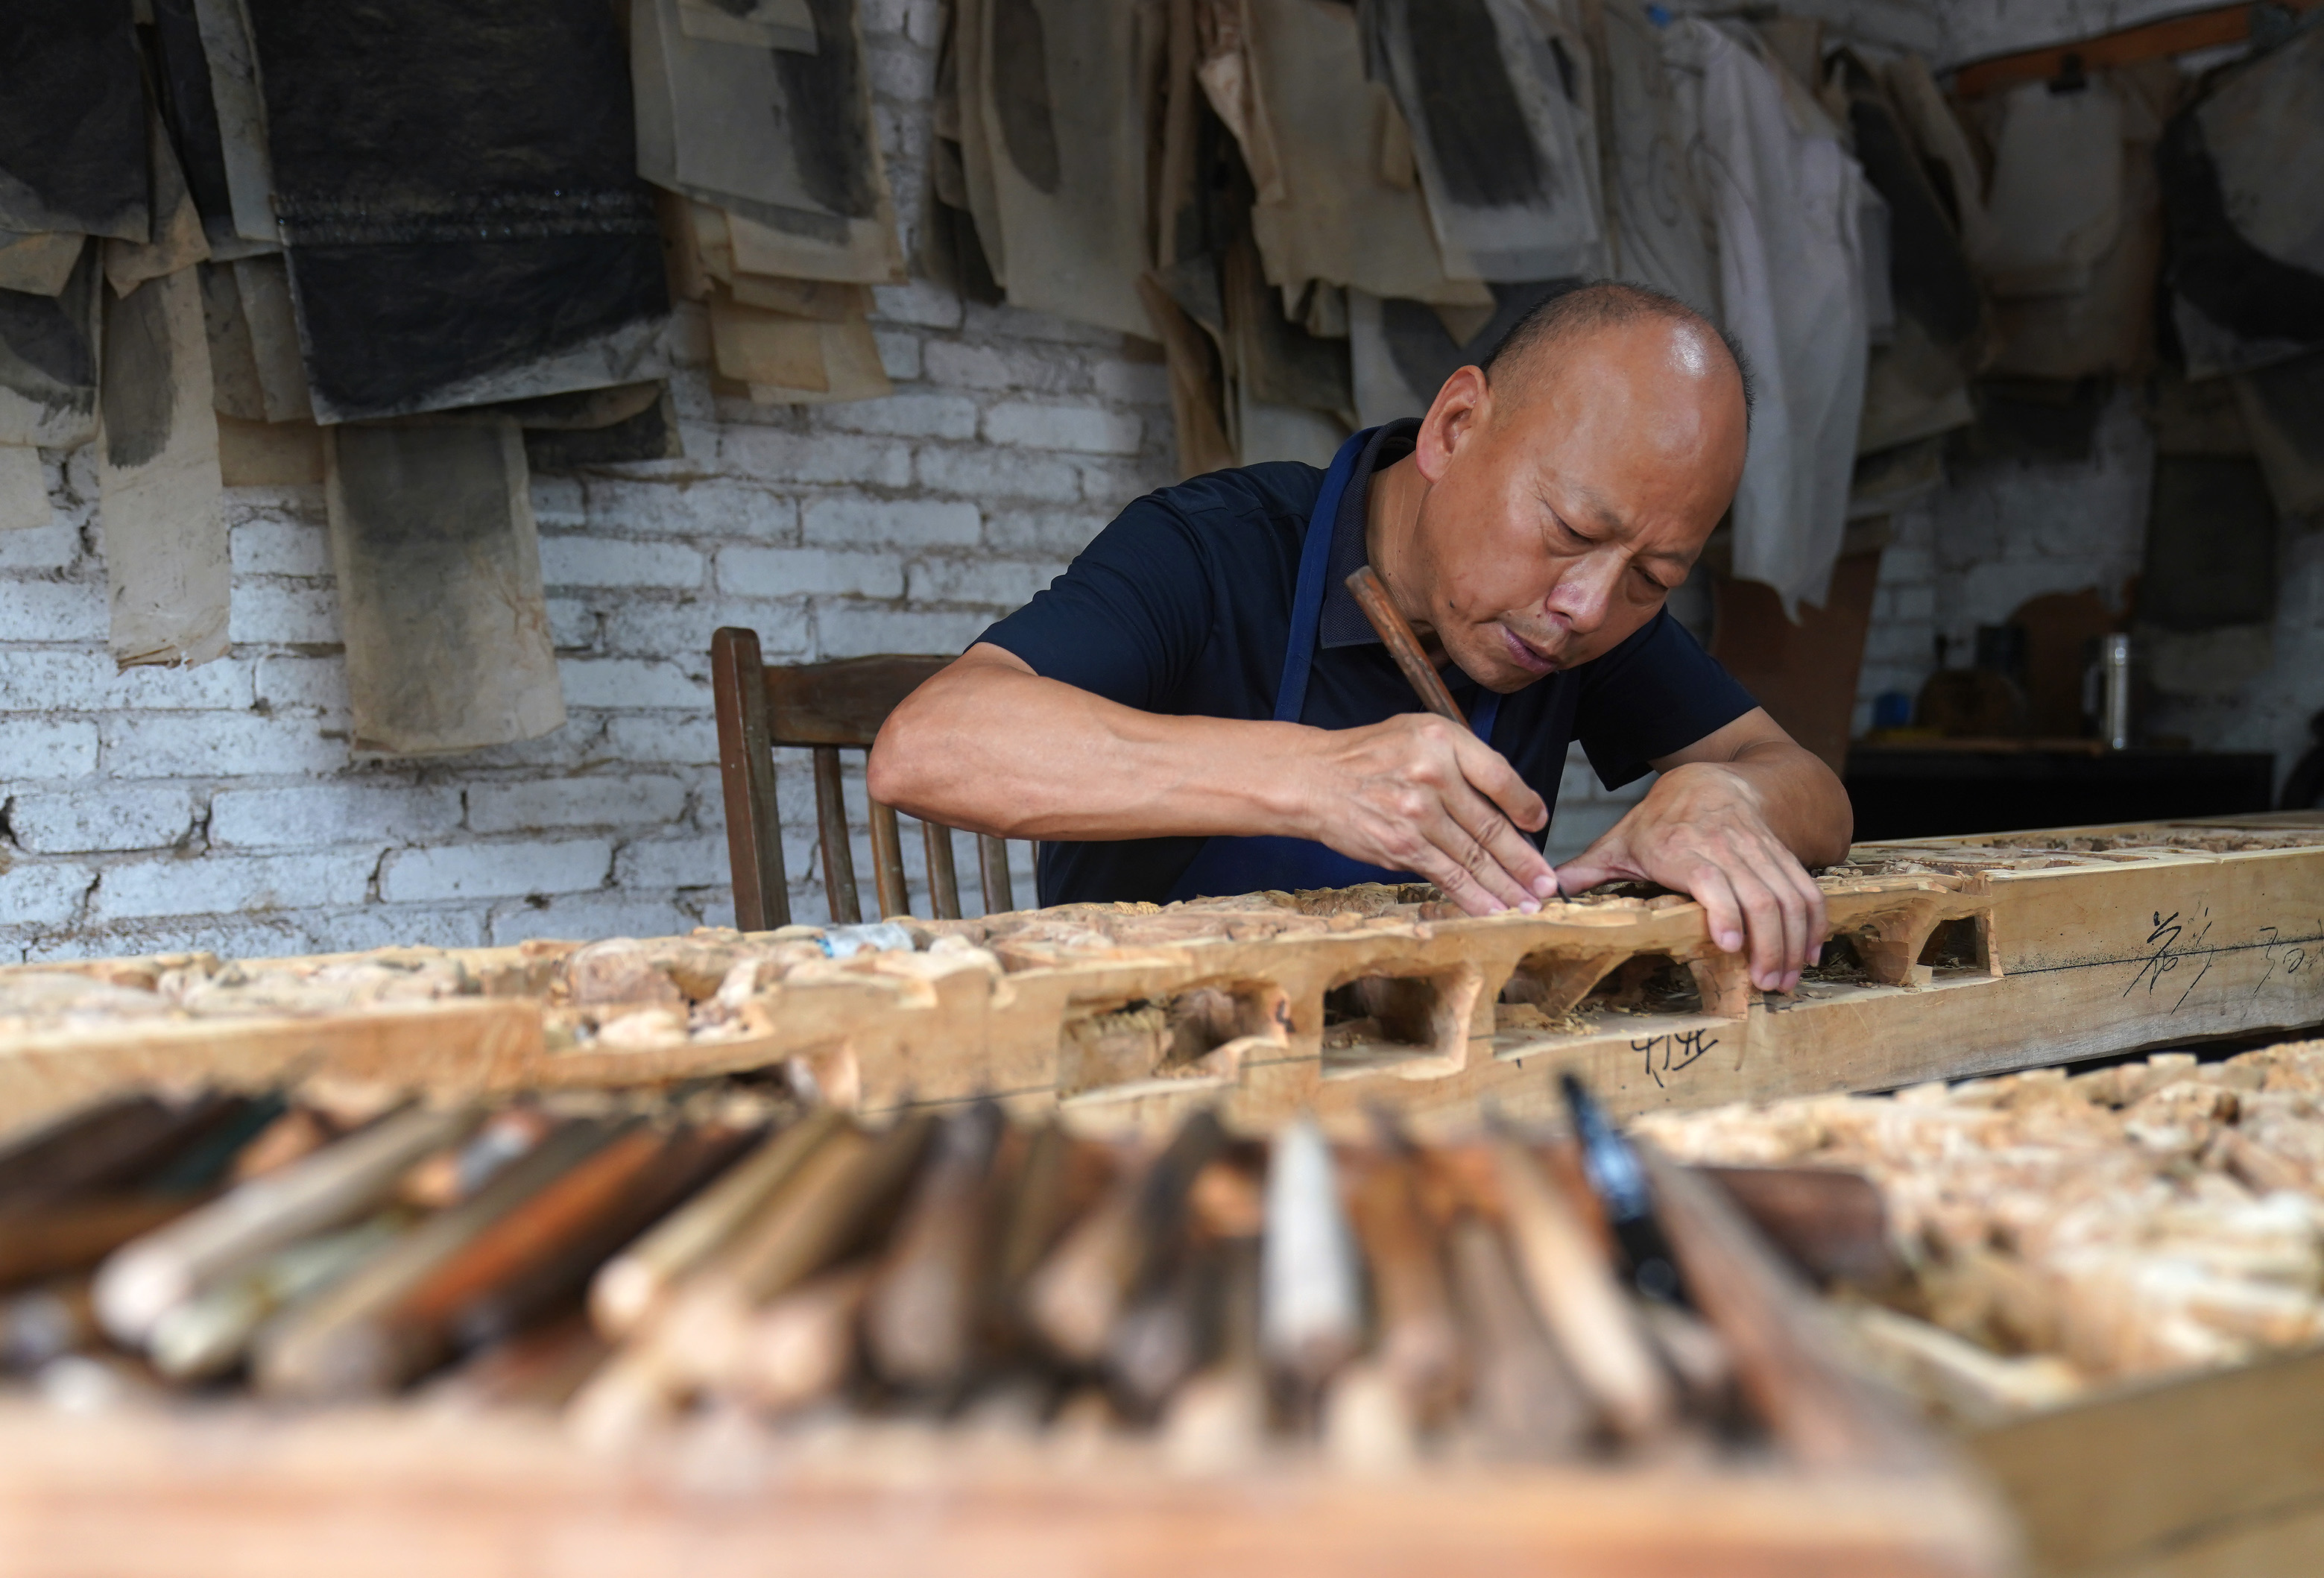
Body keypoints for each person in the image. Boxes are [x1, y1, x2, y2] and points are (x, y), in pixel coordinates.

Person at [868, 283, 1852, 994]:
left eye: (1652, 577)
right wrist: (1312, 777)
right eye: (1570, 533)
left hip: (1418, 1097)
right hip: (1151, 1099)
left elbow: (1811, 789)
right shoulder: (1214, 551)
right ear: (1456, 425)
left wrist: (1726, 794)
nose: (1587, 606)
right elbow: (931, 745)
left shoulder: (1579, 621)